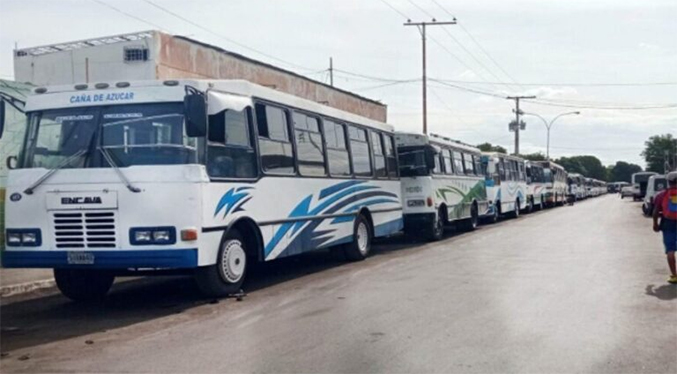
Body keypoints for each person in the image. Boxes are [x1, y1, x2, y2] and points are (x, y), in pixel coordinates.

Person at [653, 171, 677, 284]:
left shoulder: (661, 195)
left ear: (668, 181)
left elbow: (656, 211)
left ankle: (674, 276)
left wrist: (655, 224)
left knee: (670, 250)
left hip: (668, 223)